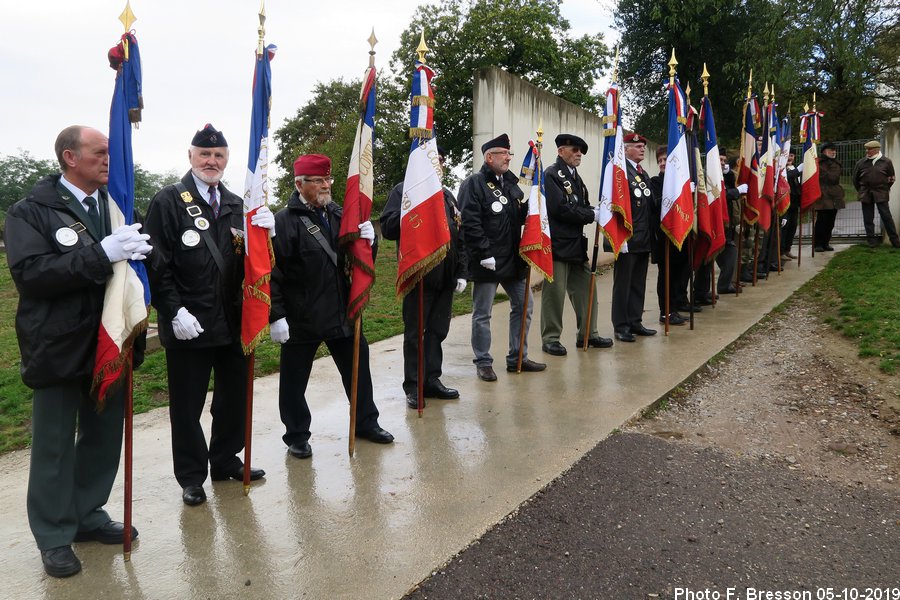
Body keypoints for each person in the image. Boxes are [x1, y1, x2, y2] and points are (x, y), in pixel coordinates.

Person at [4, 125, 151, 577]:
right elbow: (32, 275)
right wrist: (101, 254)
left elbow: (139, 269)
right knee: (54, 445)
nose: (110, 159)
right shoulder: (31, 211)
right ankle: (53, 535)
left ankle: (87, 514)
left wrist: (147, 256)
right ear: (70, 157)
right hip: (58, 343)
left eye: (110, 152)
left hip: (109, 341)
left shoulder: (118, 206)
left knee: (103, 436)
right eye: (100, 152)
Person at [145, 124, 270, 507]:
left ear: (226, 159)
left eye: (218, 155)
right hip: (189, 324)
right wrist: (173, 311)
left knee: (233, 399)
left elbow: (252, 264)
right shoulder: (168, 201)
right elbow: (156, 263)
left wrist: (268, 237)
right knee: (187, 407)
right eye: (204, 154)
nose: (211, 161)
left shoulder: (236, 204)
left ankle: (226, 459)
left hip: (232, 321)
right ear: (191, 156)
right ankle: (191, 476)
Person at [269, 153, 394, 458]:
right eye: (319, 180)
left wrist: (370, 242)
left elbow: (356, 263)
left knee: (358, 371)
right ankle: (297, 435)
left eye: (328, 179)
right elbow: (273, 274)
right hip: (302, 316)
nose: (326, 185)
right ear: (299, 184)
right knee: (294, 382)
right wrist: (276, 315)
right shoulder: (283, 222)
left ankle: (366, 422)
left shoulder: (340, 215)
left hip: (342, 312)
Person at [380, 147, 468, 409]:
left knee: (438, 331)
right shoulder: (404, 191)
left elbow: (459, 235)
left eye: (440, 161)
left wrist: (462, 271)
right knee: (415, 333)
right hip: (419, 274)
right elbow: (388, 227)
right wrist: (414, 209)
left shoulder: (447, 194)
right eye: (432, 161)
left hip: (446, 275)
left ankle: (431, 379)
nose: (437, 165)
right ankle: (413, 385)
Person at [460, 133, 546, 381]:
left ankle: (518, 356)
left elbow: (516, 217)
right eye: (504, 154)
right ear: (490, 157)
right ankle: (483, 362)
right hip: (487, 260)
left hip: (511, 259)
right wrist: (484, 253)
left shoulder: (509, 183)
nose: (508, 158)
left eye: (509, 154)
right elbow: (470, 223)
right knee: (483, 313)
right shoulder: (474, 184)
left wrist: (535, 204)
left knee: (524, 305)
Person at [539, 133, 613, 356]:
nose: (579, 154)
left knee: (586, 289)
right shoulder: (552, 174)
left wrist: (594, 210)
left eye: (580, 151)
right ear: (561, 151)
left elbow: (581, 205)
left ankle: (588, 334)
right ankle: (551, 338)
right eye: (574, 150)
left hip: (576, 245)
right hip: (558, 245)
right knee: (555, 294)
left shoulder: (575, 178)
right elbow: (559, 208)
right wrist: (591, 215)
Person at [611, 133, 656, 342]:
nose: (642, 149)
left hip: (643, 238)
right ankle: (621, 326)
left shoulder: (642, 173)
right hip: (628, 238)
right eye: (637, 146)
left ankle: (635, 321)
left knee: (638, 283)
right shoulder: (621, 172)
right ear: (626, 149)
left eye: (643, 146)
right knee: (623, 285)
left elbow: (649, 204)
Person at [649, 144, 690, 325]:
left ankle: (675, 307)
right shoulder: (655, 182)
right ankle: (665, 311)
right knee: (666, 275)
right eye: (660, 160)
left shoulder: (681, 182)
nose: (662, 163)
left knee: (679, 274)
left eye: (666, 159)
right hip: (663, 237)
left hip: (680, 235)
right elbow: (656, 205)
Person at [852, 140, 899, 248]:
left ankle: (895, 241)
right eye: (866, 149)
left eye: (870, 149)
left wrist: (884, 189)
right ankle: (871, 241)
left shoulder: (886, 162)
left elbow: (891, 178)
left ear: (877, 150)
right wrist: (861, 190)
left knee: (886, 217)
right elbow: (855, 179)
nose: (867, 151)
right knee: (868, 218)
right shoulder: (861, 163)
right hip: (866, 193)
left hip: (881, 193)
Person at [812, 142, 845, 251]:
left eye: (834, 150)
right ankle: (818, 243)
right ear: (824, 151)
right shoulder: (818, 163)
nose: (833, 152)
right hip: (823, 194)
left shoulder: (836, 163)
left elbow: (835, 178)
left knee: (830, 221)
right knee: (822, 220)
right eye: (831, 150)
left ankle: (826, 242)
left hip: (834, 194)